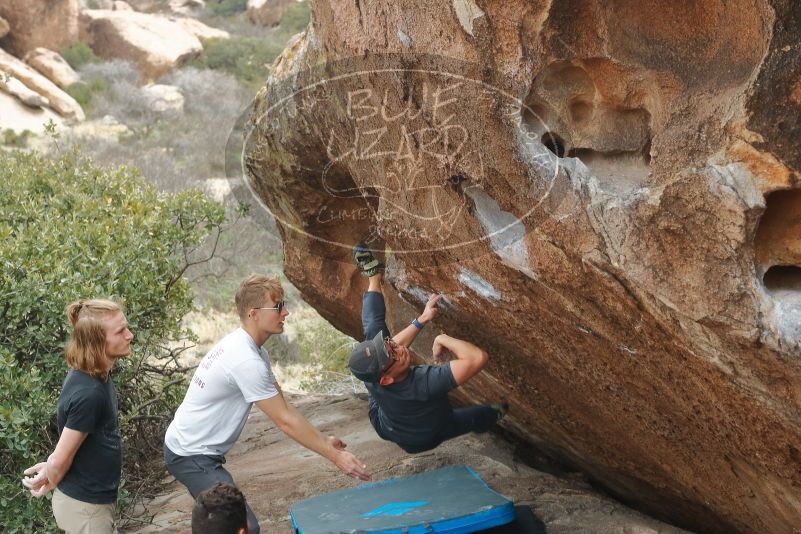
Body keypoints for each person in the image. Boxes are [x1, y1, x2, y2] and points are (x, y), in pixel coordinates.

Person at [163, 274, 370, 534]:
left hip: (195, 451)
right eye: (278, 306)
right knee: (244, 527)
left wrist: (322, 440)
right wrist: (336, 457)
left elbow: (284, 408)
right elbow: (283, 420)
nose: (286, 312)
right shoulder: (245, 360)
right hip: (190, 455)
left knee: (228, 527)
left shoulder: (254, 351)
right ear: (254, 314)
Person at [348, 244, 507, 454]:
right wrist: (441, 338)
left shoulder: (373, 374)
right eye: (392, 353)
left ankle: (374, 276)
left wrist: (422, 320)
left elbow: (387, 345)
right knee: (482, 414)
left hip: (385, 417)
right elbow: (477, 358)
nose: (397, 346)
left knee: (373, 331)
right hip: (423, 437)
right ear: (385, 379)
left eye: (389, 345)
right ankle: (500, 413)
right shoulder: (423, 383)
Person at [21, 299, 134, 534]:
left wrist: (54, 468)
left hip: (91, 504)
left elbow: (71, 446)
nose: (129, 335)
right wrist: (53, 468)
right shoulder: (89, 392)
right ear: (97, 341)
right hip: (86, 510)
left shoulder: (94, 372)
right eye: (121, 331)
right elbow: (61, 460)